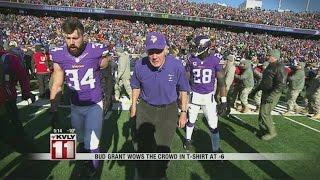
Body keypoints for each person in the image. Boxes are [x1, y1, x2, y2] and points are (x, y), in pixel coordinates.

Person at [49, 18, 110, 176]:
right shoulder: (59, 54)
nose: (71, 42)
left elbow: (105, 62)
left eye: (75, 38)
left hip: (94, 105)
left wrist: (102, 63)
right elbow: (57, 83)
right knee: (81, 139)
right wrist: (54, 110)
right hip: (75, 106)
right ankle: (85, 159)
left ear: (84, 36)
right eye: (68, 38)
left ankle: (93, 170)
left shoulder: (95, 50)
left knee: (93, 141)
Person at [130, 32, 190, 178]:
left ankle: (160, 174)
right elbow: (136, 86)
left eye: (158, 51)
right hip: (146, 108)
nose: (154, 56)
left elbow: (183, 89)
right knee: (143, 146)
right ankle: (143, 174)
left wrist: (183, 112)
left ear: (166, 50)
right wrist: (133, 106)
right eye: (151, 52)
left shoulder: (176, 65)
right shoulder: (140, 64)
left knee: (163, 147)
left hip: (168, 110)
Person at [183, 35, 228, 152]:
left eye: (198, 47)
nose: (195, 49)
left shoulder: (215, 60)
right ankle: (187, 140)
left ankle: (216, 149)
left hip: (209, 97)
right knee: (191, 120)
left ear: (206, 47)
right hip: (194, 96)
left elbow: (222, 82)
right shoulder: (191, 59)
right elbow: (185, 79)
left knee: (213, 125)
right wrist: (183, 95)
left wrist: (224, 101)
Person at [0, 47, 35, 154]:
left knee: (9, 127)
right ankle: (25, 147)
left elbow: (22, 76)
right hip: (7, 97)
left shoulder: (10, 58)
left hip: (6, 97)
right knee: (14, 124)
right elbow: (23, 76)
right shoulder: (11, 58)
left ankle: (25, 148)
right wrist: (26, 92)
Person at [254, 49, 287, 140]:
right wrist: (257, 89)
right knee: (261, 112)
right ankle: (264, 129)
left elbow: (281, 84)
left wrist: (272, 95)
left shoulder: (279, 67)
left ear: (274, 57)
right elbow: (266, 79)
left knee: (265, 112)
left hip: (272, 93)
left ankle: (272, 132)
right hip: (266, 92)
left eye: (269, 55)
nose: (266, 56)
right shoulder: (270, 65)